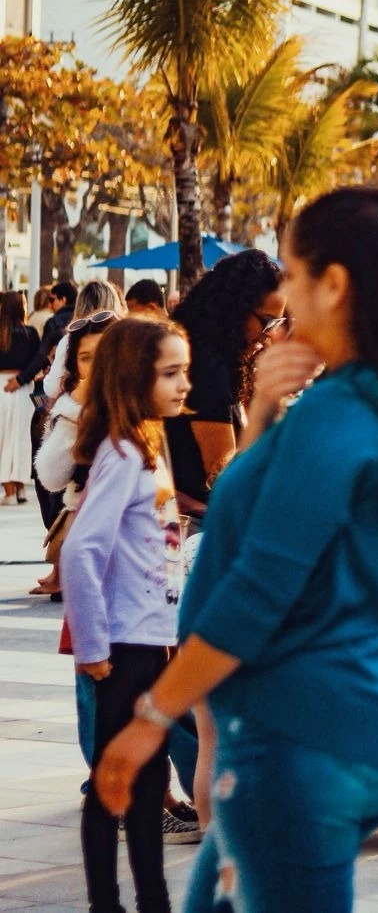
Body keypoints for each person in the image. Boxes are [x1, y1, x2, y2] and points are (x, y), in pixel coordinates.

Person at [91, 187, 378, 912]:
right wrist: (267, 418)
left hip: (311, 739)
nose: (286, 301)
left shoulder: (343, 415)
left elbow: (256, 591)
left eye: (295, 279)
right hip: (372, 718)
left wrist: (151, 719)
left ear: (334, 285)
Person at [60, 316, 193, 913]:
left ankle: (153, 899)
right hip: (125, 649)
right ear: (134, 378)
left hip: (153, 640)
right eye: (171, 374)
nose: (185, 384)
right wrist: (93, 648)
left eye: (184, 371)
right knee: (114, 787)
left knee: (146, 783)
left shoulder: (146, 444)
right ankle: (107, 904)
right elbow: (82, 549)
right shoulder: (123, 453)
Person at [166, 249, 286, 512]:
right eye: (266, 322)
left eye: (277, 323)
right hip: (193, 524)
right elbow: (222, 472)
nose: (269, 335)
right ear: (237, 308)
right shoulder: (206, 367)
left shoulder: (218, 357)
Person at [33, 312, 119, 595]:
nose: (96, 366)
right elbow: (51, 477)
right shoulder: (73, 413)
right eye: (86, 358)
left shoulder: (148, 404)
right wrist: (74, 414)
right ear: (75, 366)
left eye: (104, 354)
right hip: (90, 540)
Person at [42, 280, 127, 402]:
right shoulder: (125, 339)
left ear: (80, 305)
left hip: (80, 414)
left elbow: (51, 388)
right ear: (114, 304)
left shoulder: (70, 341)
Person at [0, 291, 40, 506]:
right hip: (24, 388)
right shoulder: (31, 333)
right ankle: (21, 487)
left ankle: (8, 492)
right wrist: (23, 378)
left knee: (3, 438)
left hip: (2, 386)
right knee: (22, 438)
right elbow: (39, 359)